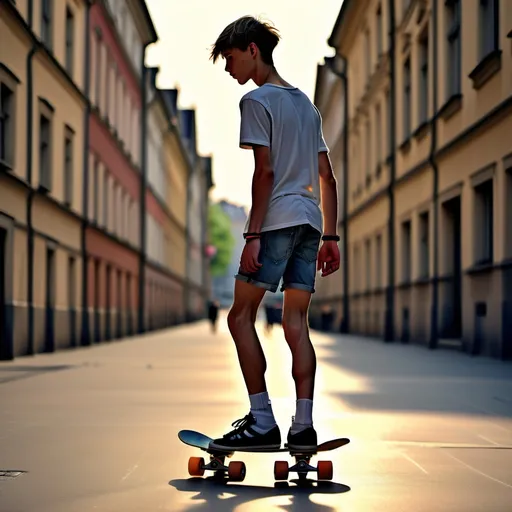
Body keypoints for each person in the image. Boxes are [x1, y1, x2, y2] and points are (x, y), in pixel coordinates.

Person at [208, 15, 340, 452]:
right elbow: (328, 178)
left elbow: (264, 172)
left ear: (251, 49)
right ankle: (303, 425)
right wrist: (331, 238)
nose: (229, 69)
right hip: (311, 222)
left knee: (239, 316)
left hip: (278, 220)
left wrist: (252, 235)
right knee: (295, 322)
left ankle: (262, 420)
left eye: (229, 58)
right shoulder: (307, 104)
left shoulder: (257, 101)